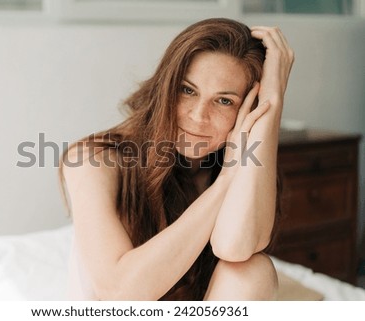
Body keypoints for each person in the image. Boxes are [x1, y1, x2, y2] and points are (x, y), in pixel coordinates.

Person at [59, 17, 294, 300]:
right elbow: (118, 292)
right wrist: (227, 180)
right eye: (187, 90)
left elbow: (235, 247)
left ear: (248, 108)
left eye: (224, 101)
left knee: (252, 271)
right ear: (166, 88)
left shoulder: (241, 162)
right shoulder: (92, 158)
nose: (198, 116)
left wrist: (273, 102)